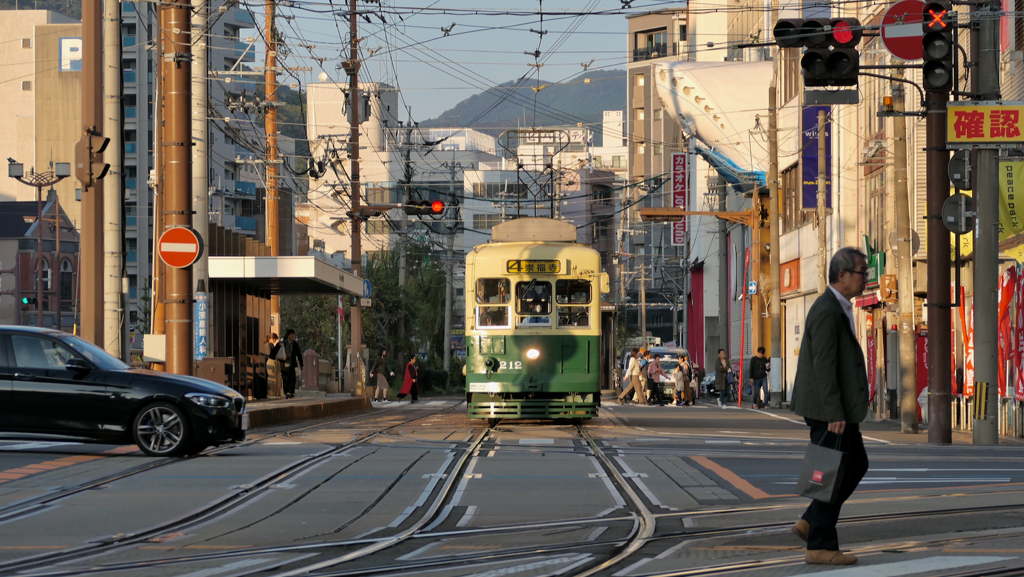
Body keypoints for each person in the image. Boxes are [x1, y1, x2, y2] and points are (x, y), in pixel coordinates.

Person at [790, 248, 871, 566]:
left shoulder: (837, 307)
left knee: (850, 466)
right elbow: (824, 365)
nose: (865, 278)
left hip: (836, 408)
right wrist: (834, 412)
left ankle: (810, 521)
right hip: (829, 410)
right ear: (843, 276)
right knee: (830, 473)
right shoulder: (827, 309)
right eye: (862, 272)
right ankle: (820, 544)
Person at [280, 329, 303, 399]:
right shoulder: (282, 343)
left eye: (294, 334)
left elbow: (299, 354)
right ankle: (286, 392)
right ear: (288, 335)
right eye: (292, 334)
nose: (293, 336)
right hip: (284, 364)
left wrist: (302, 364)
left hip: (292, 364)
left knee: (292, 378)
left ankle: (290, 392)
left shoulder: (295, 344)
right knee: (285, 379)